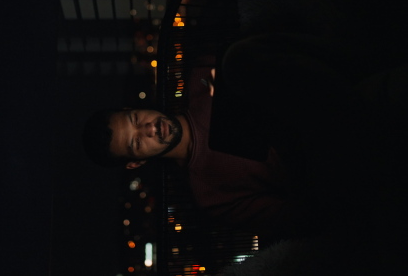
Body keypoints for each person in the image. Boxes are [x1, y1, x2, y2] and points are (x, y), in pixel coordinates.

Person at [82, 58, 341, 244]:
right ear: (136, 163)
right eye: (137, 143)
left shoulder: (202, 78)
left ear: (131, 109)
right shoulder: (211, 196)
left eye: (136, 119)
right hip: (330, 169)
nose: (149, 129)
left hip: (323, 97)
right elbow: (298, 216)